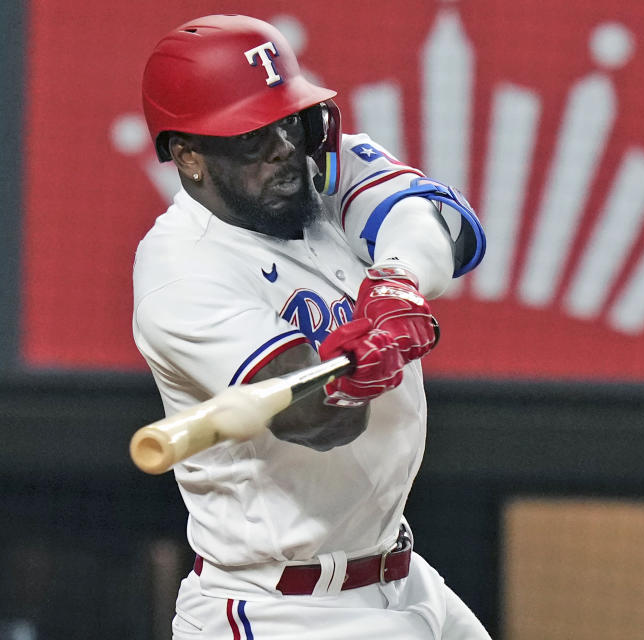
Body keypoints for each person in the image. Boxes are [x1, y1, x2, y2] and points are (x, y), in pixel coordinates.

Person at [133, 14, 490, 639]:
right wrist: (365, 360)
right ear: (188, 157)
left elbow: (445, 224)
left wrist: (398, 283)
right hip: (286, 608)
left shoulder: (315, 176)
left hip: (402, 573)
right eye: (250, 136)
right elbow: (320, 420)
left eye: (288, 121)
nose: (282, 148)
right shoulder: (180, 269)